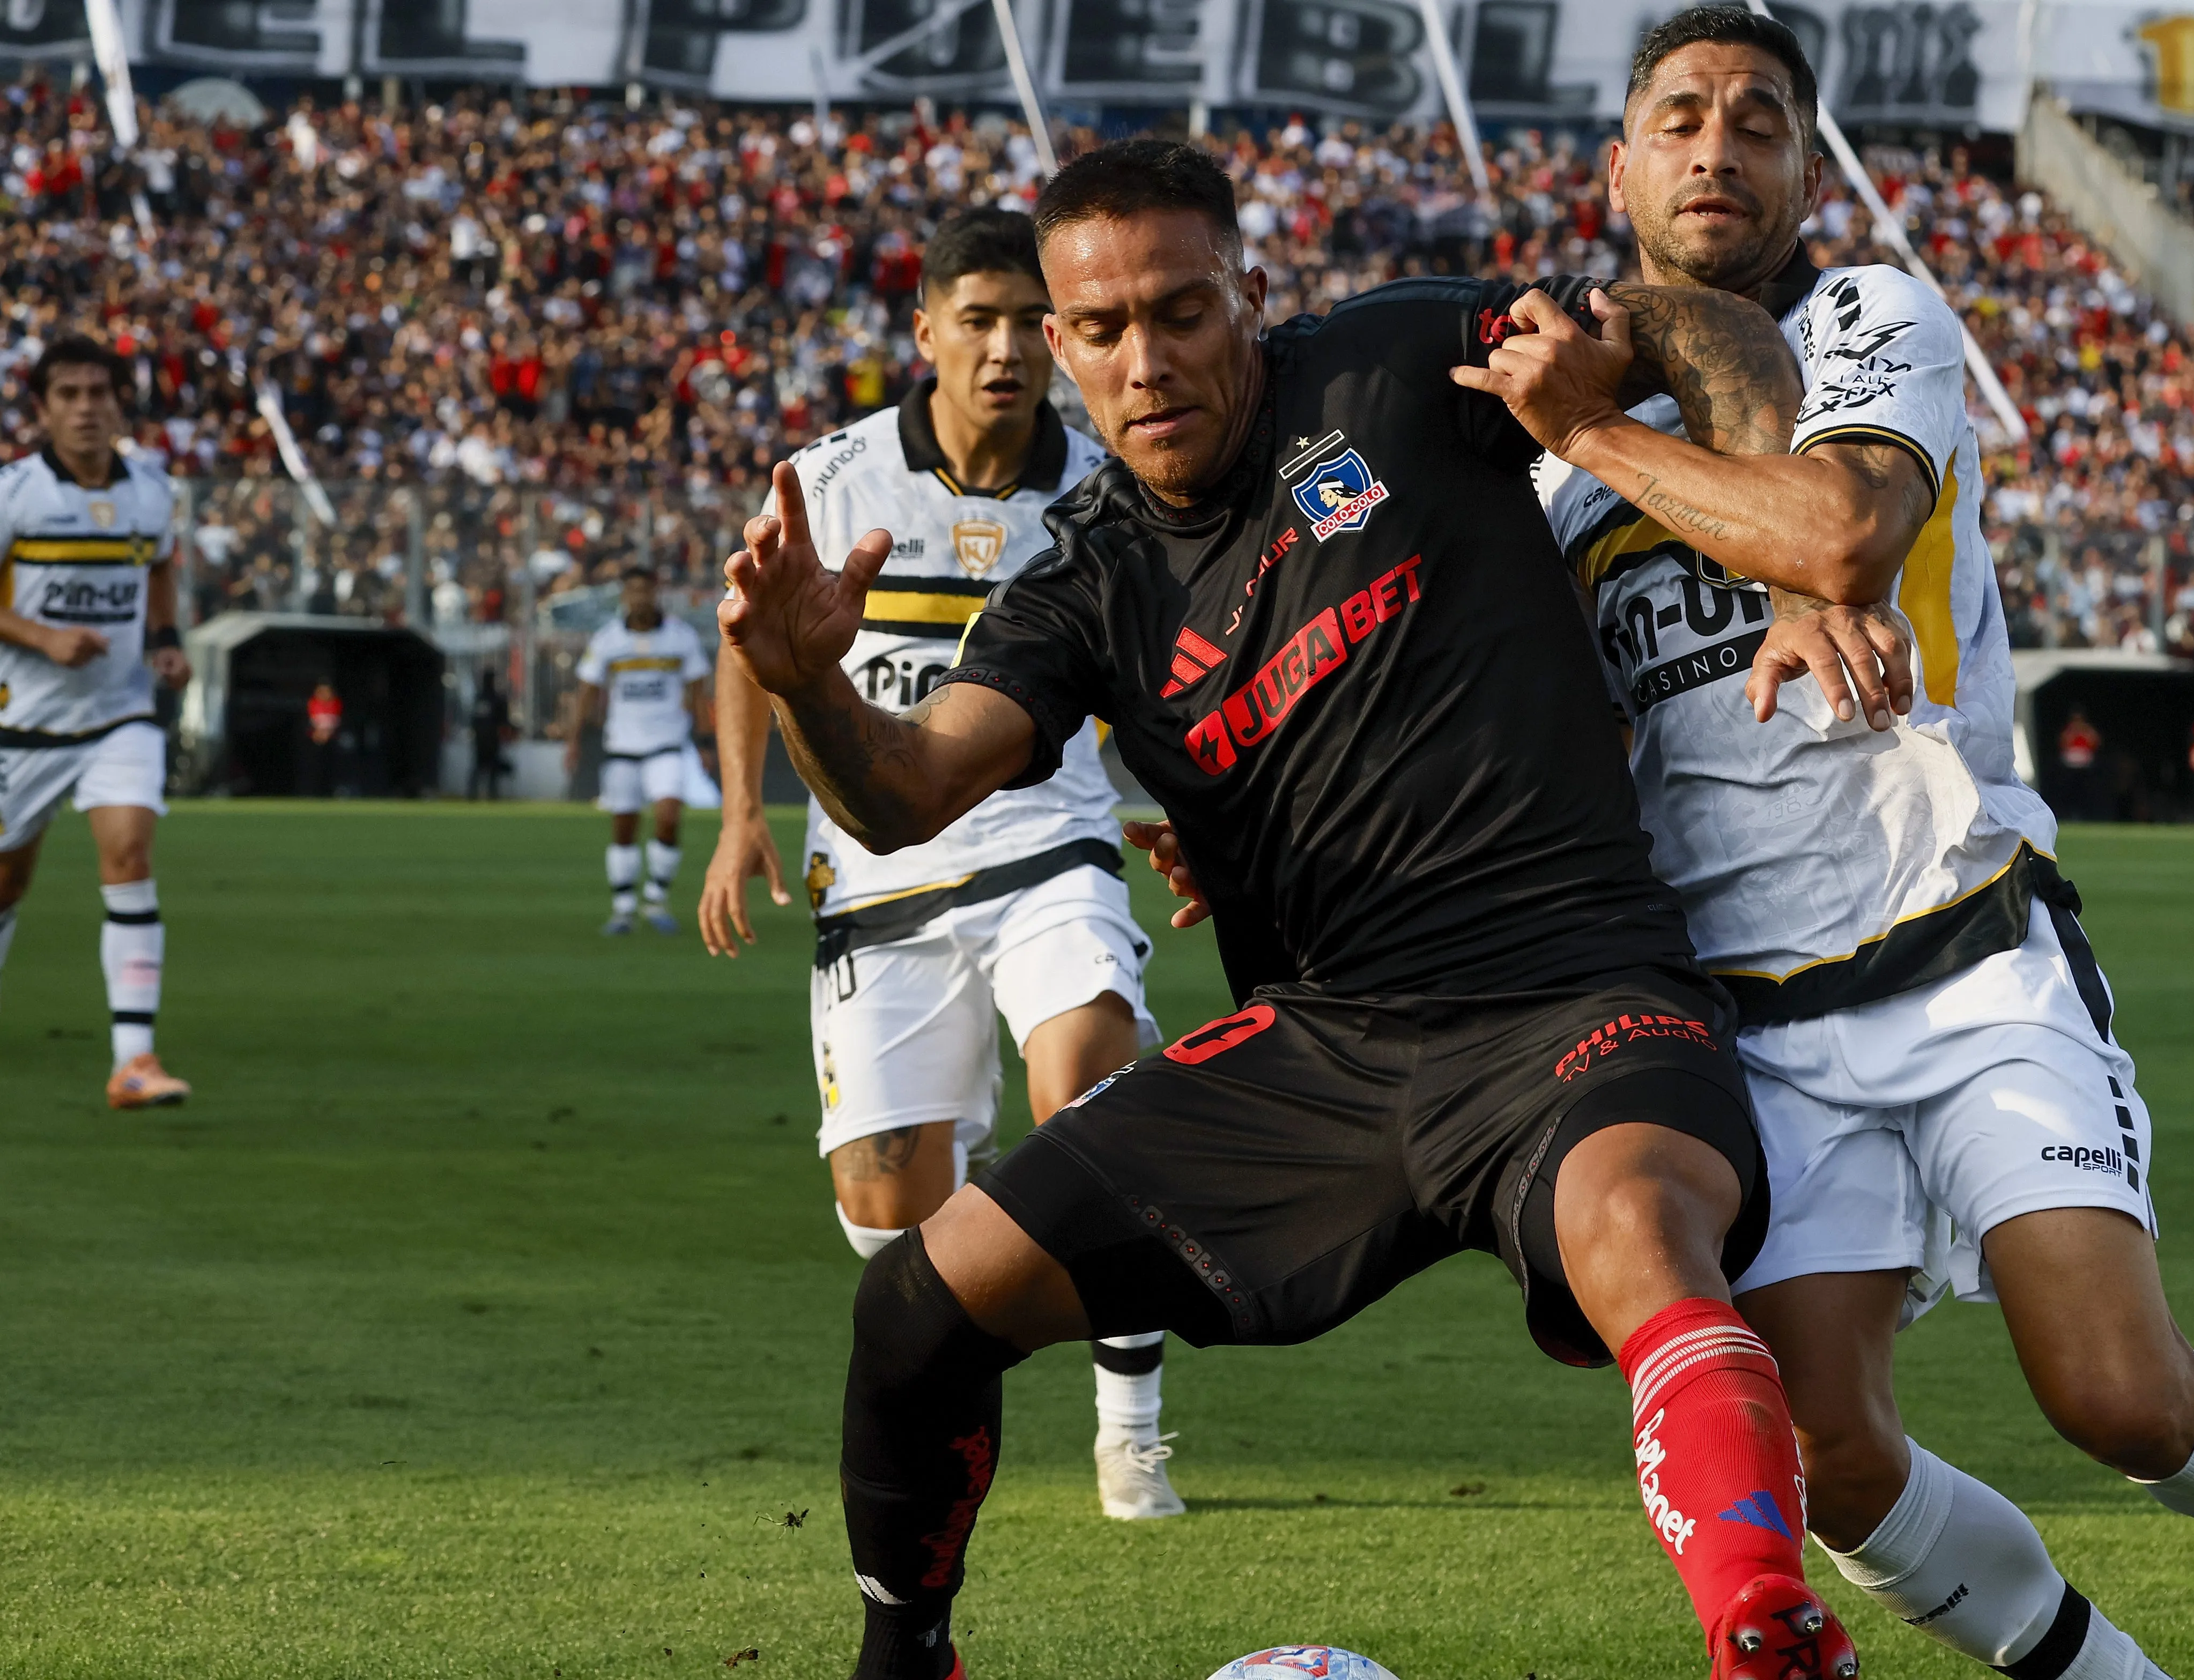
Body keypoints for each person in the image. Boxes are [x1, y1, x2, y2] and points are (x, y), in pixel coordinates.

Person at [1148, 16, 2194, 1677]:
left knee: (2119, 1397)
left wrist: (1609, 443)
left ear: (1804, 166)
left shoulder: (1869, 317)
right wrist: (1286, 821)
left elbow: (1842, 528)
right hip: (1741, 1012)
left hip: (1959, 941)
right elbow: (1495, 732)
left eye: (1757, 121)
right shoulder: (1536, 461)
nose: (1715, 148)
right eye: (1679, 118)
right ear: (1620, 168)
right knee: (1827, 1462)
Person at [720, 140, 1867, 1680]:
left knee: (1642, 1230)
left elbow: (1700, 327)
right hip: (1320, 1047)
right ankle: (904, 1656)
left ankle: (1763, 1624)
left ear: (1251, 294)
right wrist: (808, 687)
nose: (1147, 361)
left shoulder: (1396, 365)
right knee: (923, 1300)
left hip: (1572, 989)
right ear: (1059, 345)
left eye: (1182, 311)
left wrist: (1784, 558)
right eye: (1103, 330)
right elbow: (905, 790)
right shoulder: (1085, 581)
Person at [694, 206, 1182, 1522]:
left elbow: (1168, 659)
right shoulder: (832, 480)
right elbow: (748, 642)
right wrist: (742, 813)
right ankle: (956, 1411)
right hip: (880, 877)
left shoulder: (1108, 486)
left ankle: (1133, 1427)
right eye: (979, 321)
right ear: (925, 333)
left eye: (1030, 322)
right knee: (888, 1208)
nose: (1006, 349)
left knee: (1089, 1092)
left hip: (1049, 844)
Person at [0, 336, 193, 1109]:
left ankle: (133, 1061)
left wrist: (166, 640)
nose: (85, 408)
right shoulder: (14, 492)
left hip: (120, 713)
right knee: (7, 881)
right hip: (22, 722)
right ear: (42, 409)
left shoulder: (151, 490)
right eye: (69, 394)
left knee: (129, 851)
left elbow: (160, 564)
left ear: (120, 404)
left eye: (98, 393)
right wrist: (41, 637)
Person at [569, 566, 710, 935]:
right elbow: (586, 692)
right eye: (632, 591)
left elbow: (699, 692)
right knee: (624, 826)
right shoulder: (607, 640)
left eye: (645, 590)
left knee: (668, 815)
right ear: (624, 596)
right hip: (623, 747)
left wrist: (706, 741)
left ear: (655, 593)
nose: (639, 598)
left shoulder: (681, 637)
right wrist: (573, 740)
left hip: (668, 744)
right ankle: (623, 907)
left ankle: (656, 897)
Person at [468, 670, 515, 800]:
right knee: (492, 768)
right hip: (493, 739)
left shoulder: (479, 698)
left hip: (480, 739)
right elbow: (504, 721)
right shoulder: (497, 699)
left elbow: (474, 720)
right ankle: (492, 795)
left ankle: (472, 794)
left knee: (479, 767)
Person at [2056, 706, 2101, 821]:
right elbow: (2063, 743)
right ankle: (2070, 814)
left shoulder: (2088, 731)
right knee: (2070, 791)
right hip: (2070, 765)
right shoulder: (2069, 732)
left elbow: (2095, 742)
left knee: (2086, 791)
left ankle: (2086, 814)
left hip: (2085, 765)